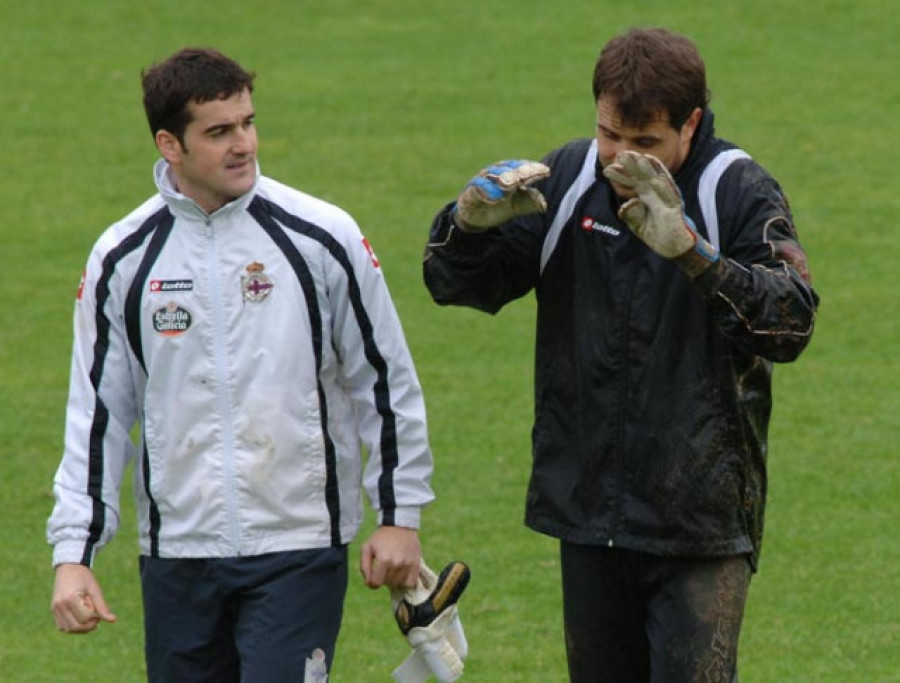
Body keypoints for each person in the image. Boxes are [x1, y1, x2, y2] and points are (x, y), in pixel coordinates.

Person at [423, 27, 818, 682]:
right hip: (589, 514)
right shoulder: (572, 177)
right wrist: (463, 228)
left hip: (701, 527)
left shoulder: (735, 190)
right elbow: (453, 284)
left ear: (690, 125)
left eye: (645, 144)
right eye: (611, 134)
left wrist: (695, 254)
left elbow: (792, 322)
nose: (621, 158)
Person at [47, 47, 435, 681]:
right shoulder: (122, 259)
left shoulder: (322, 237)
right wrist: (74, 553)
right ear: (170, 144)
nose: (244, 145)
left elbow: (385, 380)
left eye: (248, 123)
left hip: (297, 545)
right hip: (177, 555)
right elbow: (96, 415)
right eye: (219, 131)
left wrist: (399, 515)